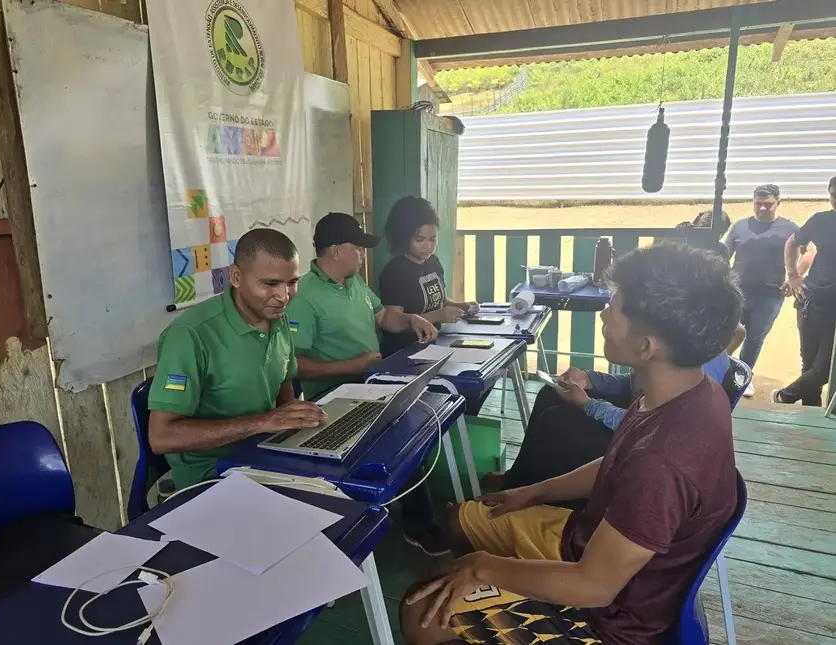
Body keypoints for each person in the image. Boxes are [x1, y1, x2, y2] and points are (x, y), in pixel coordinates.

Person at [400, 242, 742, 645]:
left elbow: (594, 587)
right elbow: (616, 461)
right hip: (589, 539)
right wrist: (532, 491)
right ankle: (479, 597)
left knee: (419, 613)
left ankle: (477, 600)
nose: (604, 312)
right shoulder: (689, 390)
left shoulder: (663, 460)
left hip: (608, 618)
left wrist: (482, 568)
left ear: (646, 346)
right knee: (463, 518)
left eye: (616, 306)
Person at [285, 212, 447, 555]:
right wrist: (353, 365)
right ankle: (406, 523)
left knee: (418, 427)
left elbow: (382, 316)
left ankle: (408, 516)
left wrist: (409, 318)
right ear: (334, 251)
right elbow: (293, 365)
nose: (362, 254)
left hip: (371, 383)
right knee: (402, 439)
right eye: (357, 248)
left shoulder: (354, 282)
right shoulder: (305, 295)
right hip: (333, 397)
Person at [147, 228, 326, 490]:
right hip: (211, 476)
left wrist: (298, 426)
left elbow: (283, 388)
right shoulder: (189, 336)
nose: (284, 296)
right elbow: (161, 437)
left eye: (292, 283)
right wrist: (263, 422)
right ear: (236, 276)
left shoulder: (278, 320)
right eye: (270, 284)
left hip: (263, 454)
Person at [484, 321, 745, 492]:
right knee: (551, 394)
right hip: (638, 422)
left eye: (618, 309)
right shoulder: (679, 340)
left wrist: (587, 404)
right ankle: (519, 478)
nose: (604, 315)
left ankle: (531, 492)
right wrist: (589, 379)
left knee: (557, 422)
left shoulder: (692, 367)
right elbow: (632, 387)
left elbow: (648, 427)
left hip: (640, 447)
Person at [378, 196, 479, 357]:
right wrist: (438, 315)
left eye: (433, 239)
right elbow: (392, 322)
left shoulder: (433, 262)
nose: (428, 246)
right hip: (405, 352)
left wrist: (461, 305)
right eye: (420, 240)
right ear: (403, 237)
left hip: (434, 345)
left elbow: (439, 299)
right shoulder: (395, 272)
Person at [725, 184, 798, 397]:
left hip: (770, 295)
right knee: (728, 331)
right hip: (737, 291)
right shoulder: (740, 227)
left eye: (768, 204)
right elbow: (724, 255)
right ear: (753, 202)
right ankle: (722, 370)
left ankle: (744, 376)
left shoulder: (789, 228)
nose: (763, 209)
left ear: (778, 202)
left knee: (755, 337)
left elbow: (808, 250)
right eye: (758, 204)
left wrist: (795, 276)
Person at [776, 176, 836, 407]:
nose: (835, 199)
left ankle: (784, 396)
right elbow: (792, 242)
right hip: (812, 301)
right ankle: (809, 417)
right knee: (810, 364)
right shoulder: (821, 220)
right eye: (832, 194)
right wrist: (792, 276)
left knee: (824, 369)